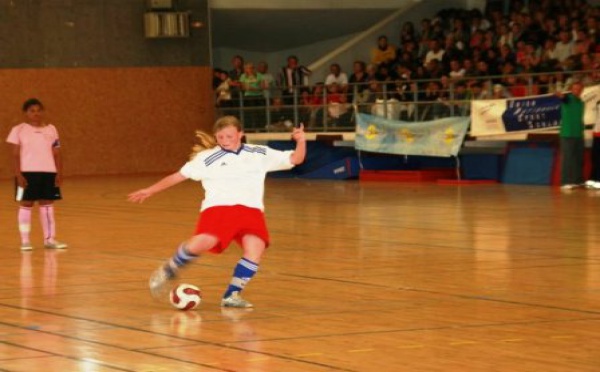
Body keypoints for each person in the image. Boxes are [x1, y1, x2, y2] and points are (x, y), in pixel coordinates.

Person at [128, 116, 306, 308]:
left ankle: (232, 295)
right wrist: (150, 190)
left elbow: (296, 159)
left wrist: (301, 141)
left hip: (251, 210)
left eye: (229, 135)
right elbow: (178, 176)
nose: (224, 140)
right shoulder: (207, 158)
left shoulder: (259, 153)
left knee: (255, 249)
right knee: (205, 241)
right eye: (220, 137)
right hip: (220, 208)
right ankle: (170, 268)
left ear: (241, 134)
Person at [6, 98, 67, 250]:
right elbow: (15, 154)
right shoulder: (19, 129)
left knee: (47, 204)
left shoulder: (51, 129)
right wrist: (18, 174)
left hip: (48, 173)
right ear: (26, 113)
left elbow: (57, 153)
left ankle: (50, 239)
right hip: (27, 173)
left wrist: (59, 173)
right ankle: (25, 241)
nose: (36, 113)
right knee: (26, 204)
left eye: (39, 110)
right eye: (32, 111)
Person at [557, 81, 586, 190]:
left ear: (582, 90)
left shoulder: (581, 102)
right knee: (568, 159)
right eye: (575, 89)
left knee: (578, 159)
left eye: (579, 89)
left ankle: (577, 181)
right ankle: (565, 182)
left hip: (578, 134)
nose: (577, 91)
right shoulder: (568, 99)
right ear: (571, 89)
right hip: (567, 134)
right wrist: (560, 95)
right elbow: (563, 98)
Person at [585, 100, 600, 189]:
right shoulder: (598, 102)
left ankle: (598, 179)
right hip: (596, 133)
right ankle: (593, 178)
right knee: (594, 157)